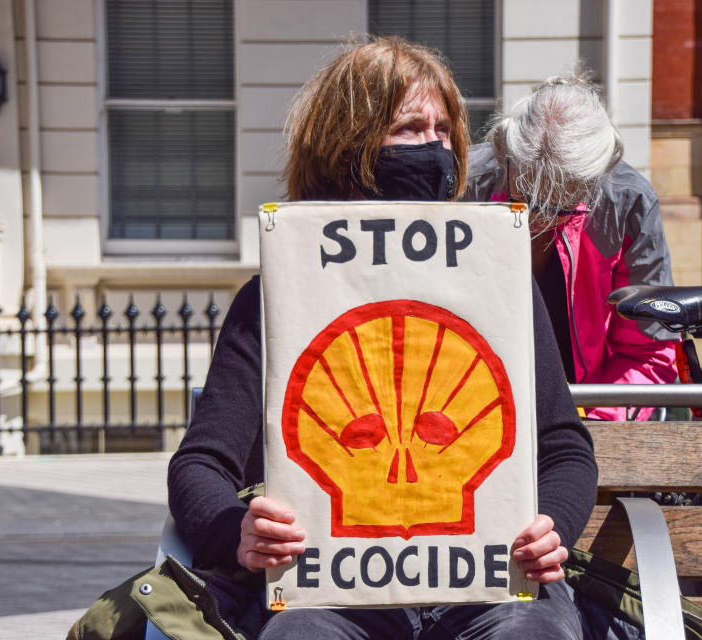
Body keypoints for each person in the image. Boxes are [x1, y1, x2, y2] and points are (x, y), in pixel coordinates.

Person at [168, 37, 597, 640]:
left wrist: (553, 525)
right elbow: (200, 462)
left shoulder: (503, 288)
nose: (433, 148)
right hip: (330, 596)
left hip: (493, 591)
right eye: (408, 128)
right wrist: (235, 530)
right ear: (348, 145)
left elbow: (564, 447)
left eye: (444, 131)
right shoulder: (272, 300)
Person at [465, 72, 678, 421]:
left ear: (596, 179)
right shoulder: (464, 185)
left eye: (559, 208)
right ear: (505, 153)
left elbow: (647, 351)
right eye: (525, 199)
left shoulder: (627, 200)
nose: (539, 219)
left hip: (584, 410)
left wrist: (593, 428)